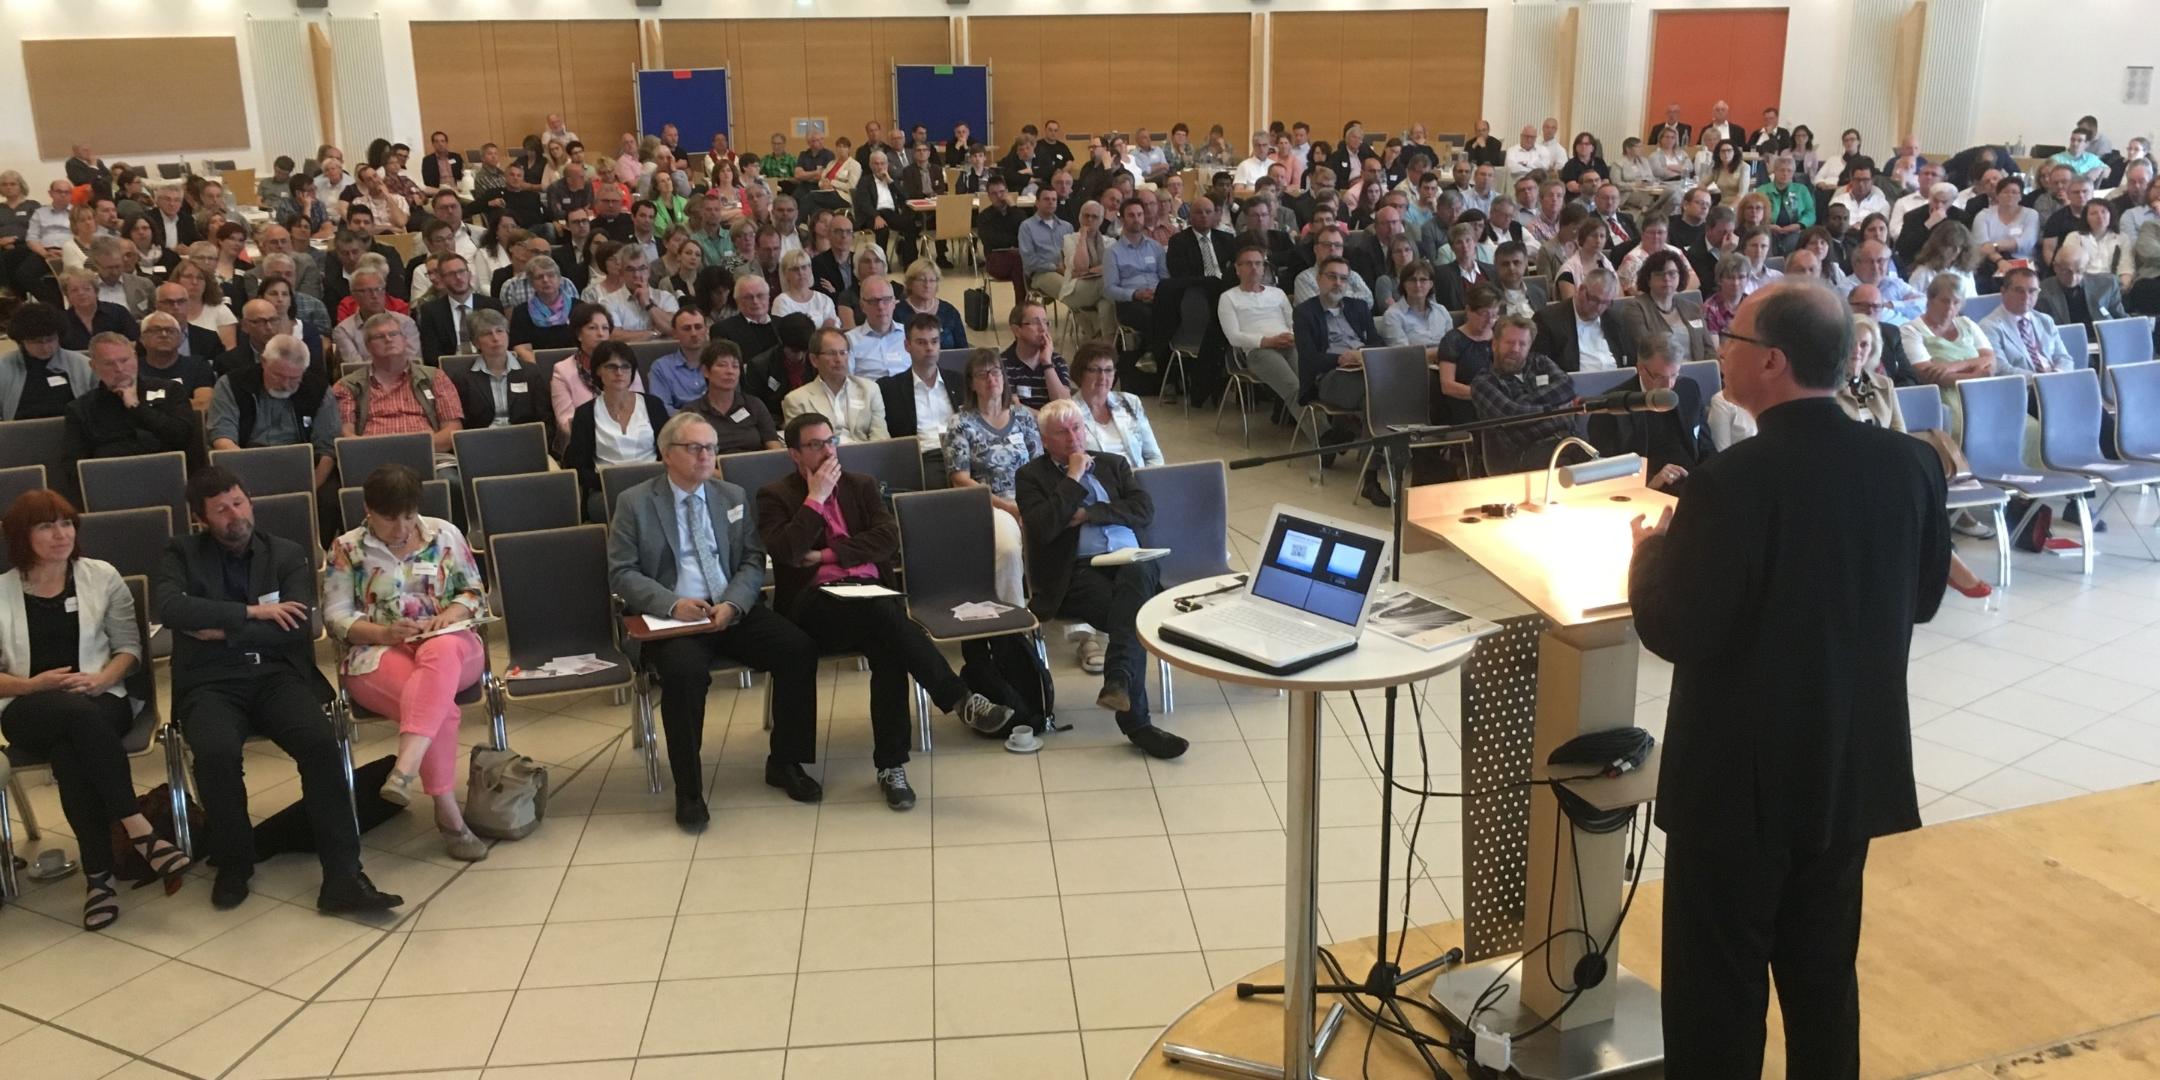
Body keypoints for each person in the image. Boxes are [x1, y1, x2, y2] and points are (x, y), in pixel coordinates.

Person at [1630, 280, 1948, 1080]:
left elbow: (1679, 630)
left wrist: (1649, 554)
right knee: (1822, 981)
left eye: (1731, 341)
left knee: (1717, 1000)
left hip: (1738, 785)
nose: (1721, 353)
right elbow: (1922, 599)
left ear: (1770, 361)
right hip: (1847, 771)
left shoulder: (1731, 481)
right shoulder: (1911, 465)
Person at [156, 468, 404, 912]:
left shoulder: (285, 553)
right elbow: (172, 608)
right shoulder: (181, 553)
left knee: (319, 743)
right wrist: (253, 613)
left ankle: (344, 875)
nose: (235, 515)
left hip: (276, 674)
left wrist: (221, 630)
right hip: (211, 683)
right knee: (214, 752)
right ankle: (235, 864)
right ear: (201, 519)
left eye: (239, 502)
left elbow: (296, 629)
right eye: (221, 510)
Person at [754, 413, 1017, 808]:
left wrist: (826, 553)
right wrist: (815, 500)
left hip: (870, 596)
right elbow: (789, 552)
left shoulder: (859, 486)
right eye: (815, 445)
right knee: (888, 620)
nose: (827, 451)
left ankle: (891, 767)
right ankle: (958, 700)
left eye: (831, 441)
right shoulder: (776, 496)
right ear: (794, 453)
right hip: (815, 604)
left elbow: (886, 541)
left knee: (888, 639)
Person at [609, 412, 825, 826]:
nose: (706, 456)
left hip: (730, 608)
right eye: (695, 448)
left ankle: (786, 762)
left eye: (711, 447)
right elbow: (622, 572)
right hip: (672, 617)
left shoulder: (732, 495)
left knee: (797, 649)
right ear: (667, 454)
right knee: (685, 674)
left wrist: (734, 603)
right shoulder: (635, 502)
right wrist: (673, 603)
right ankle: (689, 790)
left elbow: (750, 560)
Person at [0, 488, 190, 928]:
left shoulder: (101, 576)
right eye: (45, 526)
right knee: (74, 721)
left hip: (102, 696)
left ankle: (98, 878)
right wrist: (32, 685)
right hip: (30, 706)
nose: (60, 534)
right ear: (20, 536)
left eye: (66, 523)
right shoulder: (3, 592)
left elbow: (129, 648)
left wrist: (103, 678)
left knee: (72, 752)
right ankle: (138, 829)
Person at [320, 464, 490, 862]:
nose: (401, 528)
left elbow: (474, 593)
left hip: (451, 643)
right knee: (440, 708)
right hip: (378, 652)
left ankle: (407, 765)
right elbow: (336, 616)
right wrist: (383, 633)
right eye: (389, 518)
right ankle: (448, 814)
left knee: (441, 652)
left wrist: (450, 615)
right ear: (368, 510)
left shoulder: (444, 533)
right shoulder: (347, 548)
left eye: (409, 516)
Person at [1015, 399, 1186, 760]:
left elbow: (1143, 511)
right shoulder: (1031, 476)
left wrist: (1088, 514)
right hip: (1076, 571)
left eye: (1077, 428)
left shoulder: (1114, 464)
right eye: (1062, 432)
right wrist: (1073, 478)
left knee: (1138, 576)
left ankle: (1124, 691)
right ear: (1045, 440)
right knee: (1133, 618)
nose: (1073, 438)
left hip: (1133, 561)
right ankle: (1131, 709)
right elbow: (1044, 526)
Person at [944, 349, 1039, 607]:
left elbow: (1041, 466)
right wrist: (1009, 507)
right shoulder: (960, 423)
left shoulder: (1022, 417)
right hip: (989, 505)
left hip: (1030, 500)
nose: (991, 379)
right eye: (982, 374)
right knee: (1009, 549)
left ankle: (1075, 622)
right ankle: (1013, 619)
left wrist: (1032, 505)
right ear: (972, 383)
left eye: (996, 371)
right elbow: (960, 479)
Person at [62, 331, 202, 479]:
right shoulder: (80, 409)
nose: (119, 369)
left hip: (169, 475)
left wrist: (137, 408)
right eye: (109, 363)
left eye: (124, 360)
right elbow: (73, 465)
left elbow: (184, 437)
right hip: (111, 480)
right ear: (94, 366)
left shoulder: (170, 390)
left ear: (135, 358)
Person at [1589, 334, 1712, 491]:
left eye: (1674, 375)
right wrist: (1651, 482)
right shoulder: (1612, 407)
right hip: (1648, 488)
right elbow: (1606, 471)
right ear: (1640, 368)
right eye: (1660, 377)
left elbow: (1706, 447)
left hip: (1692, 481)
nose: (1668, 385)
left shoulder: (1689, 389)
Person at [1471, 315, 1582, 472]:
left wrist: (1522, 401)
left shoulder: (1540, 363)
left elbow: (1568, 387)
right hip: (1523, 454)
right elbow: (1514, 416)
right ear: (1495, 344)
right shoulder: (1483, 382)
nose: (1515, 349)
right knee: (1583, 462)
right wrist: (1555, 409)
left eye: (1522, 344)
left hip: (1568, 441)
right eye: (1509, 342)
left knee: (1596, 459)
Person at [548, 303, 645, 440]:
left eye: (605, 328)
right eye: (592, 328)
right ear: (578, 334)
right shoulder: (562, 370)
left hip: (630, 437)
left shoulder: (624, 364)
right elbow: (565, 422)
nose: (600, 334)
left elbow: (641, 406)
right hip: (585, 441)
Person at [781, 326, 888, 441]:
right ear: (814, 360)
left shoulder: (870, 390)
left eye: (843, 353)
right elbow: (803, 446)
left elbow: (880, 437)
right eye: (831, 353)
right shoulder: (796, 400)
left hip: (865, 455)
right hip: (822, 456)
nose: (839, 359)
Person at [1070, 341, 1164, 468]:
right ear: (1080, 373)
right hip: (1098, 484)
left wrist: (1149, 482)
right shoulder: (1069, 413)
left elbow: (1153, 456)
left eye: (1108, 370)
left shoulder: (1130, 402)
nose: (1103, 377)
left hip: (1138, 481)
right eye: (1094, 370)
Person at [3, 303, 97, 421]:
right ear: (22, 341)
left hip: (74, 431)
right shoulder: (4, 368)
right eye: (37, 342)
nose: (46, 347)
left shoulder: (82, 365)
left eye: (50, 339)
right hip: (19, 434)